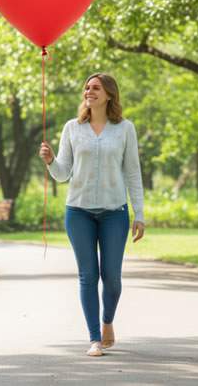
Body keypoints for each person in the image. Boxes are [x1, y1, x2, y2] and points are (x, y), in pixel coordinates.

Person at [38, 72, 146, 357]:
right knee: (88, 275)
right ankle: (94, 338)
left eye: (96, 88)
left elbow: (133, 172)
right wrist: (51, 161)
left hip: (114, 213)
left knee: (111, 278)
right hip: (79, 212)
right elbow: (63, 173)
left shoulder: (125, 129)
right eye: (87, 87)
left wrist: (140, 213)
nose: (89, 91)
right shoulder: (72, 128)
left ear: (109, 94)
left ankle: (108, 320)